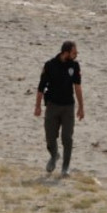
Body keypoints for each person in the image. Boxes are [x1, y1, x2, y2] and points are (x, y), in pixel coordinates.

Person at [34, 41, 84, 177]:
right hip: (52, 106)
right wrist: (38, 106)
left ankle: (65, 166)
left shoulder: (75, 66)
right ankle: (54, 155)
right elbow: (40, 88)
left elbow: (78, 87)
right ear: (65, 53)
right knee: (50, 138)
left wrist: (81, 107)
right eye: (74, 53)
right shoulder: (50, 65)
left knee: (67, 137)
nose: (76, 55)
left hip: (68, 107)